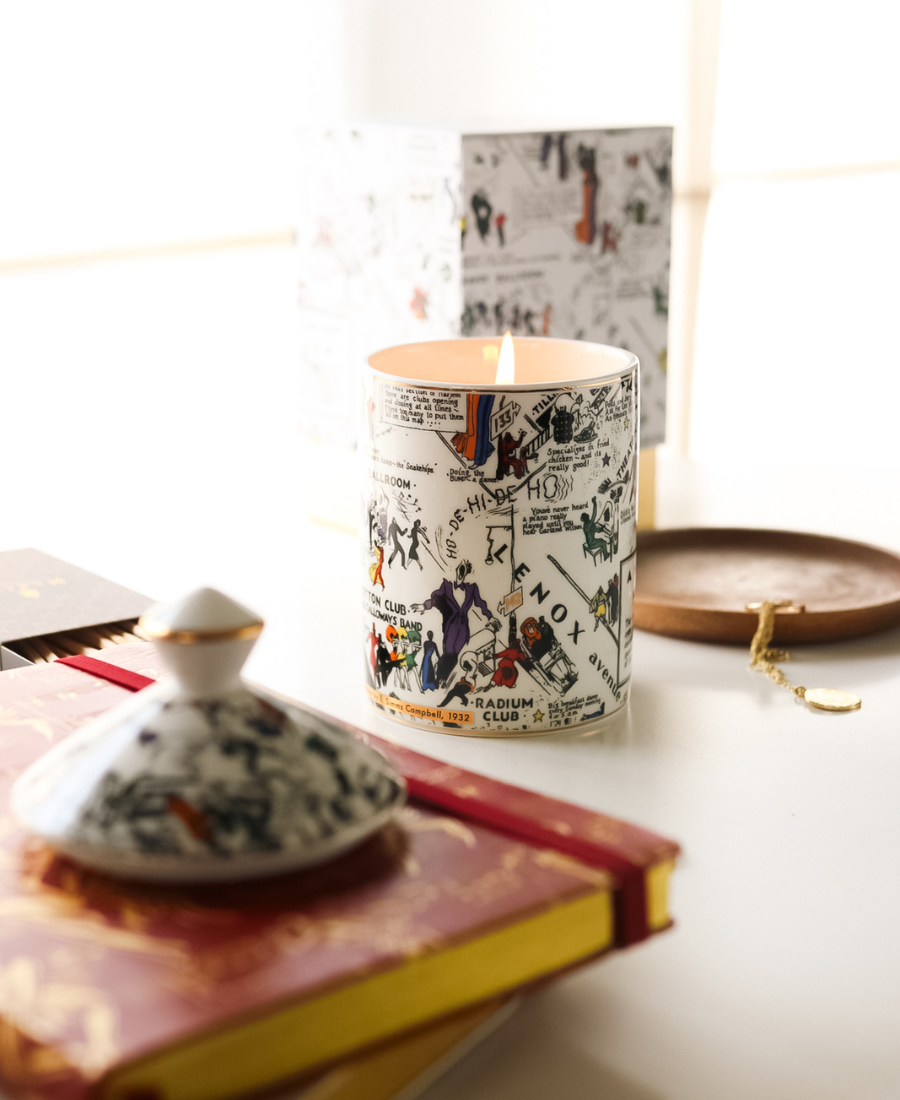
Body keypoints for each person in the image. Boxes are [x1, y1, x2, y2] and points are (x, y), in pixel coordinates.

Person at [412, 560, 493, 686]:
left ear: (466, 573)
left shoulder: (472, 588)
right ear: (456, 571)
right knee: (448, 652)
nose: (461, 573)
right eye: (460, 569)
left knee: (456, 654)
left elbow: (480, 603)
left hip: (463, 629)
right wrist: (424, 606)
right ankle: (440, 677)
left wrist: (490, 617)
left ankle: (446, 678)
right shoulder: (447, 586)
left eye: (464, 570)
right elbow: (435, 598)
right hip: (450, 626)